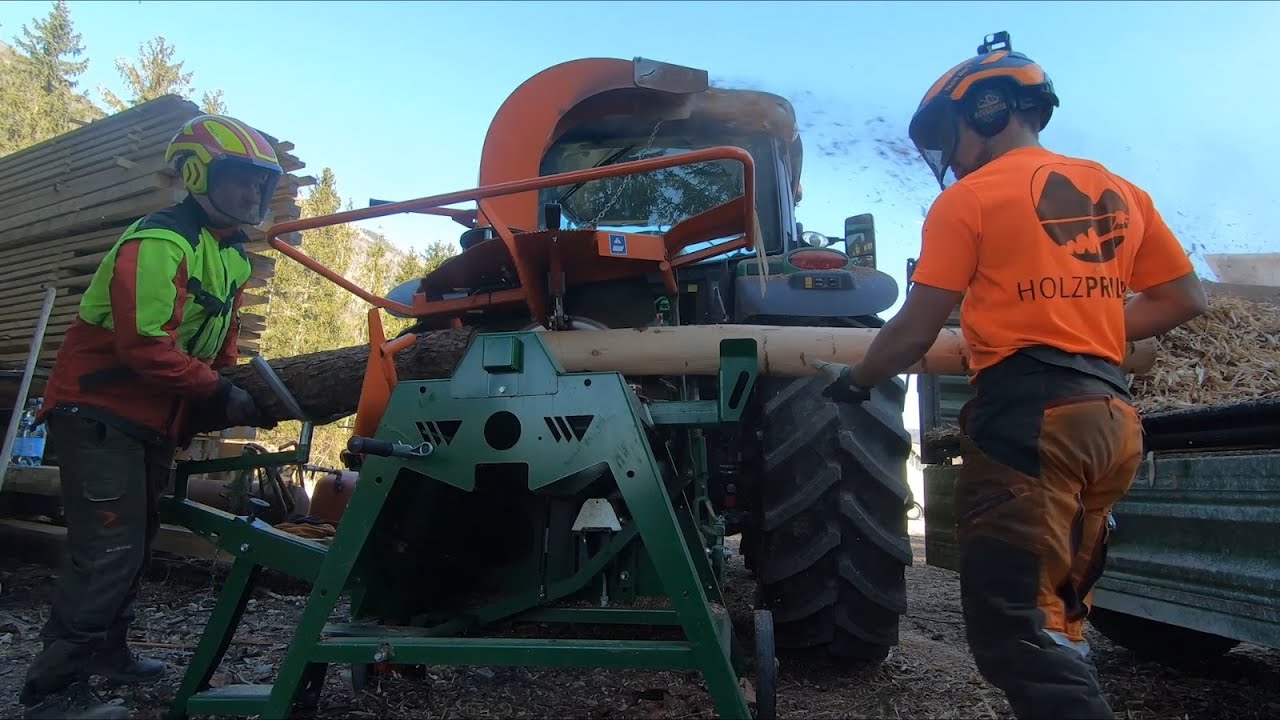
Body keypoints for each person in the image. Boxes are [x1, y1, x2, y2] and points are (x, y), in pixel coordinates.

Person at [843, 32, 1208, 719]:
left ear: (987, 108)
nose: (948, 155)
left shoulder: (970, 201)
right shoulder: (1120, 190)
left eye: (949, 134)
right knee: (1059, 618)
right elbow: (1185, 298)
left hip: (1032, 421)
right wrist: (1086, 323)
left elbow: (914, 332)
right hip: (1111, 421)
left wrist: (859, 377)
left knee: (1017, 636)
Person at [19, 114, 281, 720]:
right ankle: (52, 692)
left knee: (134, 542)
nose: (252, 195)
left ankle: (105, 651)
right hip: (100, 410)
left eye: (260, 184)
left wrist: (229, 387)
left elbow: (220, 344)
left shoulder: (229, 257)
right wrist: (214, 389)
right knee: (107, 550)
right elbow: (142, 344)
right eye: (240, 179)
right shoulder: (160, 242)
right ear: (197, 176)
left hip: (149, 419)